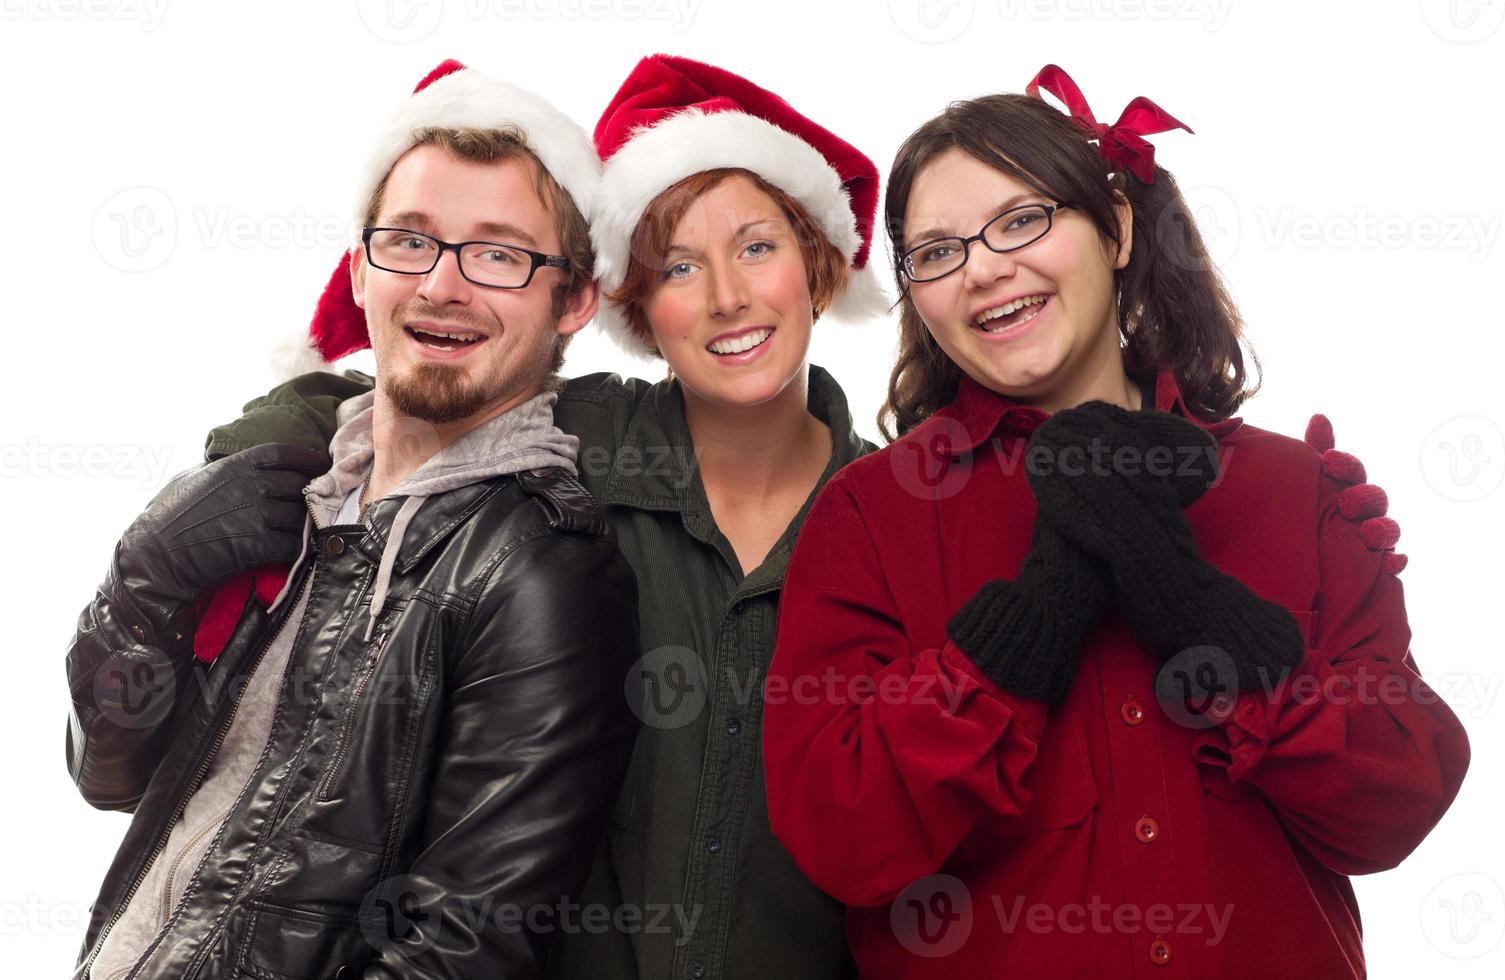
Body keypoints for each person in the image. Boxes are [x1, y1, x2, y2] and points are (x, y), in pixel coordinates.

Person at [763, 64, 1471, 978]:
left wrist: (1197, 609)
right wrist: (1029, 626)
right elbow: (838, 837)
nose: (982, 268)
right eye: (936, 252)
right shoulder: (869, 514)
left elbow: (1396, 804)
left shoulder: (1297, 488)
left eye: (1021, 220)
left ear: (1116, 227)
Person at [198, 55, 886, 980]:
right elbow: (390, 399)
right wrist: (251, 459)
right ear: (634, 305)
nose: (727, 295)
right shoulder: (571, 441)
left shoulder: (896, 520)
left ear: (817, 265)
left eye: (757, 246)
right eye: (678, 264)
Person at [66, 60, 640, 980]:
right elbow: (110, 774)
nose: (443, 286)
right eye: (410, 240)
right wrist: (142, 581)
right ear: (363, 268)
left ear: (571, 298)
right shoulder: (284, 497)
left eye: (498, 253)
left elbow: (462, 951)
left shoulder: (540, 571)